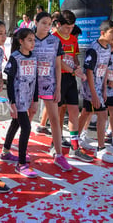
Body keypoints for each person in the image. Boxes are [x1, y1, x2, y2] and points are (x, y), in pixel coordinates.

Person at [28, 12, 72, 171]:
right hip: (30, 85)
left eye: (49, 24)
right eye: (44, 23)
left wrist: (58, 88)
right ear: (36, 22)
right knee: (28, 115)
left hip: (49, 84)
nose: (47, 26)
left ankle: (59, 155)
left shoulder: (55, 41)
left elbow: (58, 66)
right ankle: (22, 151)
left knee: (54, 118)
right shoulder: (27, 38)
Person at [78, 20, 113, 164]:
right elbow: (89, 72)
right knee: (102, 114)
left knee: (86, 112)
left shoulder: (107, 48)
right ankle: (101, 149)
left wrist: (104, 87)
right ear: (103, 33)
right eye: (112, 32)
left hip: (99, 88)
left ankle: (75, 140)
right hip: (90, 88)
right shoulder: (93, 49)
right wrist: (95, 94)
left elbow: (105, 68)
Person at [53, 10, 92, 162]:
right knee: (57, 112)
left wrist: (78, 67)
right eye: (67, 28)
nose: (69, 31)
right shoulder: (54, 39)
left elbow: (74, 56)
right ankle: (54, 143)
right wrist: (73, 70)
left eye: (72, 28)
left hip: (70, 78)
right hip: (58, 78)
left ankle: (74, 147)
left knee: (74, 110)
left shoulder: (73, 40)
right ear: (59, 25)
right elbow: (57, 61)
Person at [1, 28, 39, 177]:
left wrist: (35, 100)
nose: (33, 43)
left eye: (34, 40)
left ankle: (5, 151)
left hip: (28, 98)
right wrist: (12, 102)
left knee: (15, 123)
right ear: (21, 41)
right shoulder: (15, 58)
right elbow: (9, 82)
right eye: (29, 40)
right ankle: (21, 164)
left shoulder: (34, 58)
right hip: (18, 99)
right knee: (26, 127)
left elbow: (35, 80)